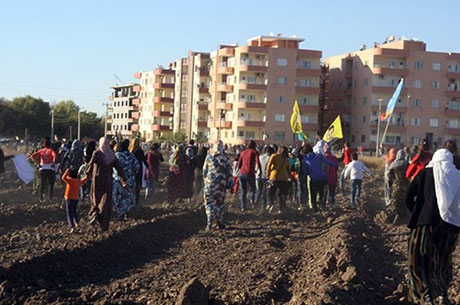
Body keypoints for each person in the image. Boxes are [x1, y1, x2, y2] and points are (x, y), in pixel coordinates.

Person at [405, 148, 459, 305]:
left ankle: (425, 296)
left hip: (424, 224)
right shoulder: (457, 176)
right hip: (449, 228)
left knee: (418, 260)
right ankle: (442, 293)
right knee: (442, 260)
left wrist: (415, 211)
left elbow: (409, 194)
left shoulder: (424, 173)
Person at [86, 137, 127, 231]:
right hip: (108, 180)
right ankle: (104, 223)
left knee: (95, 197)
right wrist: (123, 178)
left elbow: (91, 164)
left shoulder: (97, 153)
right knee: (106, 200)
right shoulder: (112, 155)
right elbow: (119, 168)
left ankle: (95, 212)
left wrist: (87, 174)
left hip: (96, 179)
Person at [202, 140, 233, 230]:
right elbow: (229, 173)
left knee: (209, 203)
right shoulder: (226, 158)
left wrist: (206, 180)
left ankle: (209, 223)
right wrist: (230, 185)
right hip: (221, 185)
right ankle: (219, 222)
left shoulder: (209, 157)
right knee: (219, 203)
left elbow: (204, 171)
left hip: (209, 184)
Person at [303, 143, 338, 212]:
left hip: (313, 179)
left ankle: (315, 208)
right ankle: (321, 203)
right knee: (322, 193)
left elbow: (305, 171)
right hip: (323, 178)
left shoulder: (305, 160)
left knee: (313, 194)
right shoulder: (319, 156)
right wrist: (335, 164)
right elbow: (328, 162)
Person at [113, 139, 139, 220]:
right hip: (130, 180)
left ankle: (120, 213)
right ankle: (127, 213)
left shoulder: (116, 156)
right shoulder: (131, 155)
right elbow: (137, 166)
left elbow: (113, 168)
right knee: (129, 196)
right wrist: (132, 175)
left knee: (118, 197)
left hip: (118, 180)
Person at [30, 138, 57, 202]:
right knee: (51, 184)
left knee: (42, 184)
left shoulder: (41, 151)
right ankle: (50, 198)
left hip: (42, 168)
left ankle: (41, 198)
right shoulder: (51, 150)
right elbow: (55, 156)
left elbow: (32, 156)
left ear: (44, 145)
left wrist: (37, 163)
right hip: (50, 168)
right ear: (50, 144)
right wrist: (53, 163)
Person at [237, 140, 261, 212]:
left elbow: (239, 164)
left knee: (243, 191)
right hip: (250, 173)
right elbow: (258, 162)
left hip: (242, 173)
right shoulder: (254, 152)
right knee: (253, 188)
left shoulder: (243, 152)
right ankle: (252, 201)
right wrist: (260, 171)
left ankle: (243, 207)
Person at [61, 168, 88, 233]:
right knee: (74, 211)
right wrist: (87, 174)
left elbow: (63, 177)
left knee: (69, 212)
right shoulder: (78, 182)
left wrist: (67, 170)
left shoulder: (70, 181)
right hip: (75, 199)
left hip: (69, 198)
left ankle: (72, 226)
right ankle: (76, 222)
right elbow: (84, 180)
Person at [266, 146, 291, 213]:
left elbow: (269, 165)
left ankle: (271, 204)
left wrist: (268, 174)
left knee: (270, 192)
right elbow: (288, 169)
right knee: (279, 194)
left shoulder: (274, 156)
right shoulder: (286, 159)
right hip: (283, 178)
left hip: (274, 177)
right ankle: (280, 208)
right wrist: (289, 177)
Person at [388, 149, 409, 224]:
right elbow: (409, 175)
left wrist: (390, 185)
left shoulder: (393, 165)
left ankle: (397, 215)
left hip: (396, 185)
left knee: (396, 201)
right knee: (404, 201)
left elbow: (389, 177)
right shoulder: (407, 164)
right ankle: (404, 216)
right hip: (405, 186)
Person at [129, 138, 146, 206]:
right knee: (137, 186)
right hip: (139, 169)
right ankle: (136, 202)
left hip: (131, 169)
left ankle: (131, 201)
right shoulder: (140, 151)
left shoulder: (130, 151)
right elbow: (143, 159)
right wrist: (148, 167)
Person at [255, 145, 274, 210]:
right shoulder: (271, 158)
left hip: (258, 176)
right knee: (266, 192)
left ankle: (255, 204)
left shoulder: (260, 157)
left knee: (259, 191)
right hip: (267, 177)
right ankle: (264, 206)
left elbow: (256, 167)